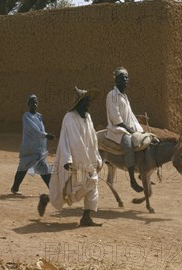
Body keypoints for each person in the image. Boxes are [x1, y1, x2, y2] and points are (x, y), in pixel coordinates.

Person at [42, 87, 103, 226]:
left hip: (89, 161)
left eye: (89, 101)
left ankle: (86, 217)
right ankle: (47, 198)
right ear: (79, 103)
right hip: (76, 162)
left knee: (92, 184)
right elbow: (73, 142)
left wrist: (97, 158)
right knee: (74, 189)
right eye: (86, 101)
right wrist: (72, 160)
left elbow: (93, 139)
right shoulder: (70, 117)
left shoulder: (88, 117)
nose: (88, 104)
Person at [106, 67, 145, 193]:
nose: (125, 80)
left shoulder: (124, 97)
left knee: (146, 141)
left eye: (127, 77)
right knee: (128, 144)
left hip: (127, 129)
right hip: (117, 131)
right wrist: (131, 131)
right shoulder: (112, 95)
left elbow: (131, 117)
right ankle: (133, 180)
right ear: (116, 80)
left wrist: (140, 130)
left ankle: (142, 171)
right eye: (122, 78)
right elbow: (116, 119)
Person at [11, 94, 54, 196]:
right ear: (28, 104)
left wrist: (44, 142)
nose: (34, 104)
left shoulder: (39, 116)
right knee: (23, 167)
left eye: (36, 102)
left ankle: (53, 190)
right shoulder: (26, 116)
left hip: (39, 149)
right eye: (32, 102)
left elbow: (41, 129)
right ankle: (15, 188)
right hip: (29, 148)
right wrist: (46, 135)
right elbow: (34, 130)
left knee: (43, 168)